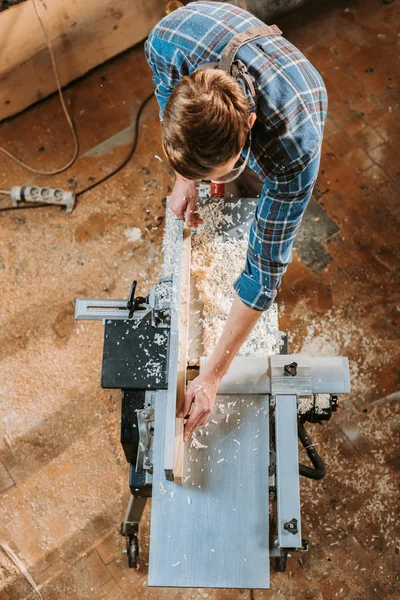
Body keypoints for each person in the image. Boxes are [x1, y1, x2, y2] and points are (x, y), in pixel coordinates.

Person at [145, 1, 327, 441]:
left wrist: (212, 375)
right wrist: (184, 178)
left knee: (255, 216)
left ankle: (225, 169)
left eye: (217, 172)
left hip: (291, 106)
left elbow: (262, 274)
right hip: (209, 42)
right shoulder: (169, 42)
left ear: (247, 123)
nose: (212, 185)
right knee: (214, 182)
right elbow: (168, 96)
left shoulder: (293, 151)